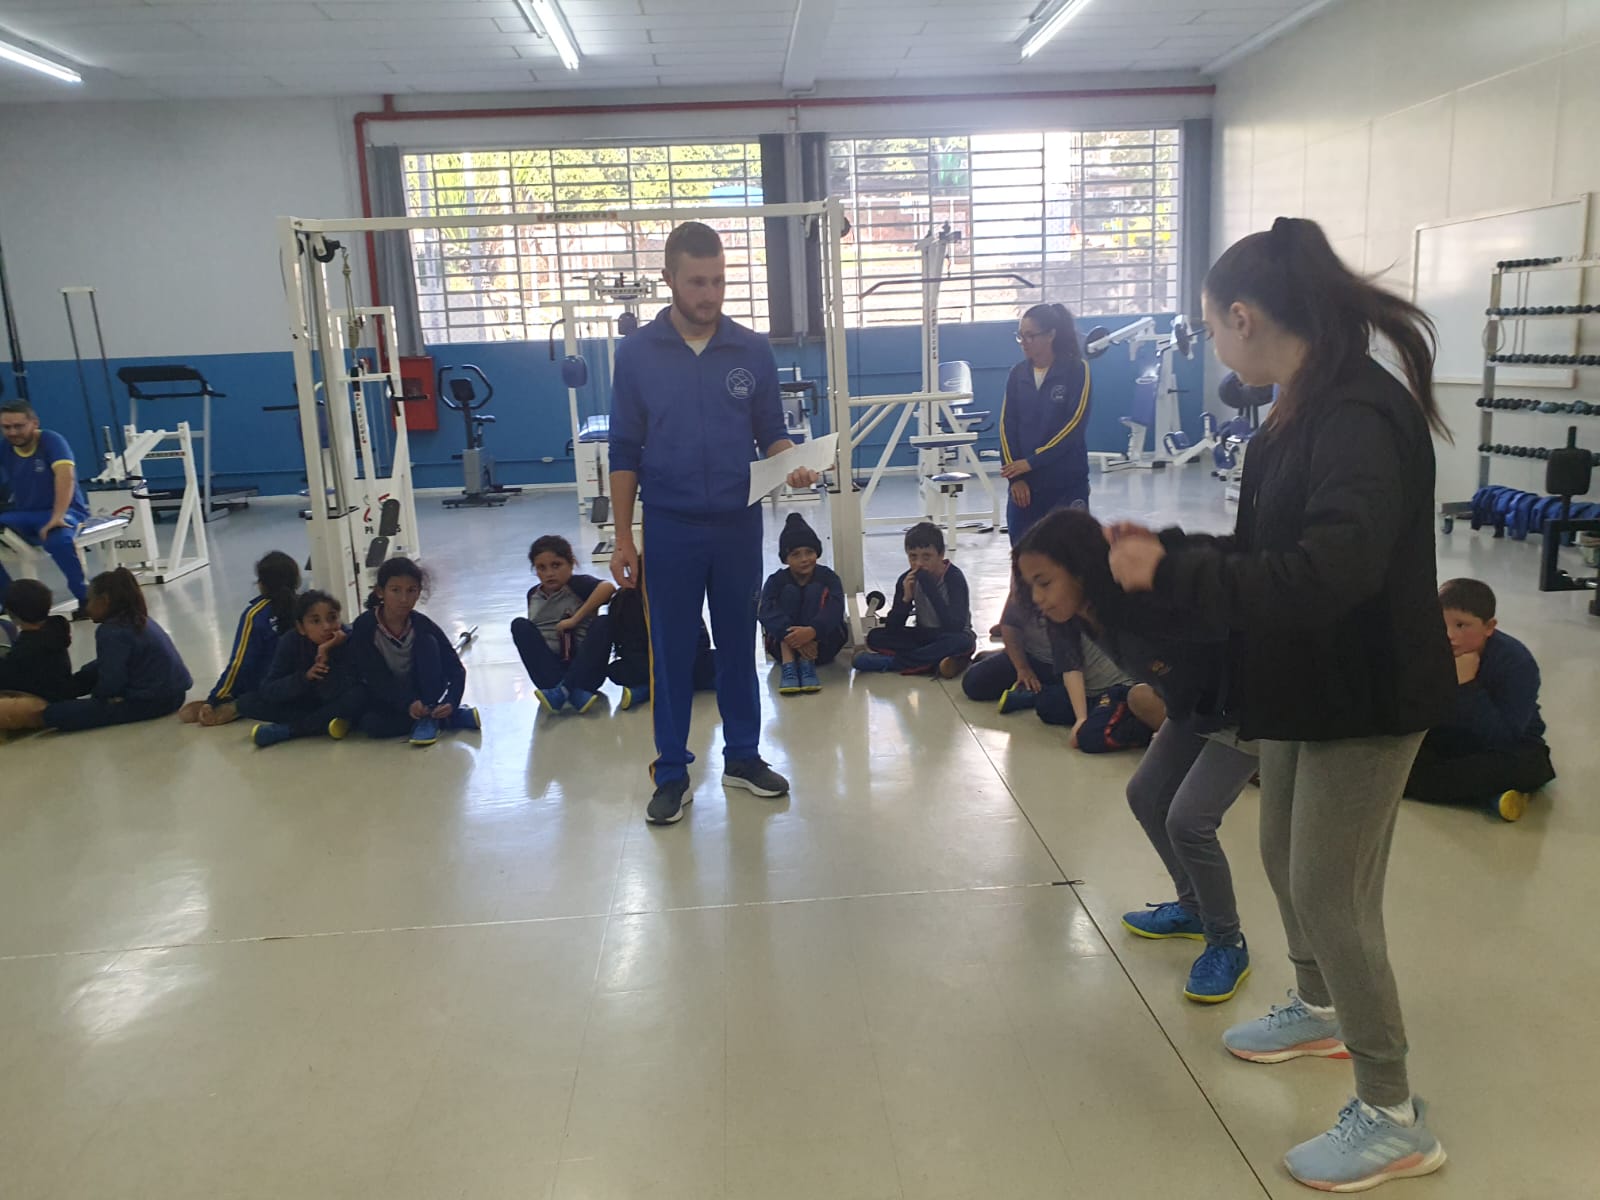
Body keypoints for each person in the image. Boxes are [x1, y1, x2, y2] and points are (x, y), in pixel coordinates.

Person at [1107, 216, 1454, 1191]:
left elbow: (1326, 574)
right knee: (1278, 852)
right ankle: (1318, 1009)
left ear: (1245, 317)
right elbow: (1264, 551)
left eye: (1213, 327)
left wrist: (1173, 571)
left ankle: (1391, 1112)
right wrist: (1171, 555)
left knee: (1333, 895)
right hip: (1307, 682)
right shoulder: (1297, 408)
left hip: (1368, 692)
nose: (1215, 348)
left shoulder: (1356, 416)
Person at [607, 220, 817, 825]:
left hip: (736, 525)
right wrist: (623, 537)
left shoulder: (751, 350)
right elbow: (624, 451)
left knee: (737, 644)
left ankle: (743, 756)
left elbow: (770, 431)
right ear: (669, 278)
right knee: (671, 652)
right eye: (697, 282)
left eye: (719, 281)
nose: (710, 294)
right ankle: (672, 771)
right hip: (669, 527)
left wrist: (792, 463)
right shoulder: (637, 355)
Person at [1015, 508, 1255, 1004]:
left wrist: (1162, 545)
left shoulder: (1143, 599)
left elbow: (1223, 585)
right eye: (1030, 585)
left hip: (1249, 704)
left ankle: (1227, 941)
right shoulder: (1080, 616)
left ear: (1081, 571)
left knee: (1188, 821)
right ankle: (1194, 907)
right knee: (1145, 794)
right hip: (1196, 703)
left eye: (1045, 583)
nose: (1037, 598)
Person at [1404, 578, 1555, 821]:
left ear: (1489, 627)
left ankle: (1422, 785)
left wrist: (1467, 686)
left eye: (1461, 625)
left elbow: (1505, 736)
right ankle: (1493, 794)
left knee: (1532, 764)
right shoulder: (1429, 648)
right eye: (1440, 624)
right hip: (1446, 739)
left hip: (1503, 745)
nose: (1449, 635)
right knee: (1395, 755)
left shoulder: (1516, 662)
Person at [0, 567, 191, 734]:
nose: (87, 607)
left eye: (89, 600)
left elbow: (112, 682)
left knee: (55, 713)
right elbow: (110, 663)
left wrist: (98, 701)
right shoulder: (136, 618)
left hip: (153, 702)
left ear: (104, 601)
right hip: (173, 694)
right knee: (92, 671)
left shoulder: (111, 632)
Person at [349, 557, 478, 746]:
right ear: (380, 592)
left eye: (411, 591)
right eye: (395, 590)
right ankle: (444, 719)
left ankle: (432, 713)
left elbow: (456, 669)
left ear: (419, 593)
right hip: (389, 695)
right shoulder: (364, 627)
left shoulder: (424, 626)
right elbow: (375, 676)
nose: (404, 599)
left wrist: (451, 701)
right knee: (372, 725)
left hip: (424, 691)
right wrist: (407, 703)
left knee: (428, 644)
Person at [999, 302, 1092, 543]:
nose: (1024, 342)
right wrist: (1015, 477)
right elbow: (1007, 426)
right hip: (1025, 487)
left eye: (1030, 336)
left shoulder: (1077, 370)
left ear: (1050, 335)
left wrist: (1031, 462)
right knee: (1023, 556)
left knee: (1070, 555)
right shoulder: (1017, 374)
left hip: (1066, 483)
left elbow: (1074, 426)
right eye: (1020, 336)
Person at [179, 550, 300, 727]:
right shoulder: (307, 607)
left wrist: (214, 698)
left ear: (262, 584)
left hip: (268, 690)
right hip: (304, 685)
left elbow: (240, 664)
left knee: (249, 695)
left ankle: (235, 704)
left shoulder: (255, 615)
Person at [239, 589, 367, 748]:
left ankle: (289, 730)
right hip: (303, 702)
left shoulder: (348, 639)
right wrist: (304, 678)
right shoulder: (290, 641)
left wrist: (326, 652)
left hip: (334, 700)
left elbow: (348, 686)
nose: (327, 627)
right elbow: (269, 688)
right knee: (246, 702)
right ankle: (330, 723)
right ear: (301, 627)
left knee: (359, 695)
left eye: (332, 618)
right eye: (316, 621)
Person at [0, 400, 92, 615]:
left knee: (59, 540)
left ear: (34, 423)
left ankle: (85, 598)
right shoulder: (5, 447)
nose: (12, 432)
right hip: (24, 514)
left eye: (18, 426)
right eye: (6, 427)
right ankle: (11, 600)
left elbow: (65, 477)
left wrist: (57, 516)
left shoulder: (52, 441)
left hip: (67, 511)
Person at [511, 534, 616, 715]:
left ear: (571, 564)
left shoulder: (579, 584)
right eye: (541, 568)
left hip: (586, 671)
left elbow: (608, 588)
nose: (549, 573)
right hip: (549, 674)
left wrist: (575, 619)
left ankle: (564, 689)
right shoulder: (533, 595)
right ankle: (567, 690)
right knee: (519, 625)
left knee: (603, 622)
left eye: (556, 565)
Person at [758, 512, 846, 696]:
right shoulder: (776, 581)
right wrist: (791, 636)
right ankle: (789, 663)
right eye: (796, 554)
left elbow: (836, 608)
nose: (804, 559)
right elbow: (765, 610)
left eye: (809, 552)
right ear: (785, 559)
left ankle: (807, 663)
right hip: (783, 648)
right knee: (789, 592)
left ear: (817, 552)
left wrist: (812, 631)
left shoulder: (828, 577)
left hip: (823, 647)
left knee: (814, 590)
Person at [604, 570, 717, 711]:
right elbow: (630, 650)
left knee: (718, 659)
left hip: (673, 663)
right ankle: (680, 684)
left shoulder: (678, 593)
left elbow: (701, 639)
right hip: (654, 663)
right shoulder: (626, 600)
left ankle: (648, 689)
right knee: (616, 670)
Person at [0, 579, 78, 703]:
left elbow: (7, 679)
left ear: (10, 613)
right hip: (60, 694)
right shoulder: (57, 630)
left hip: (37, 703)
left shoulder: (24, 649)